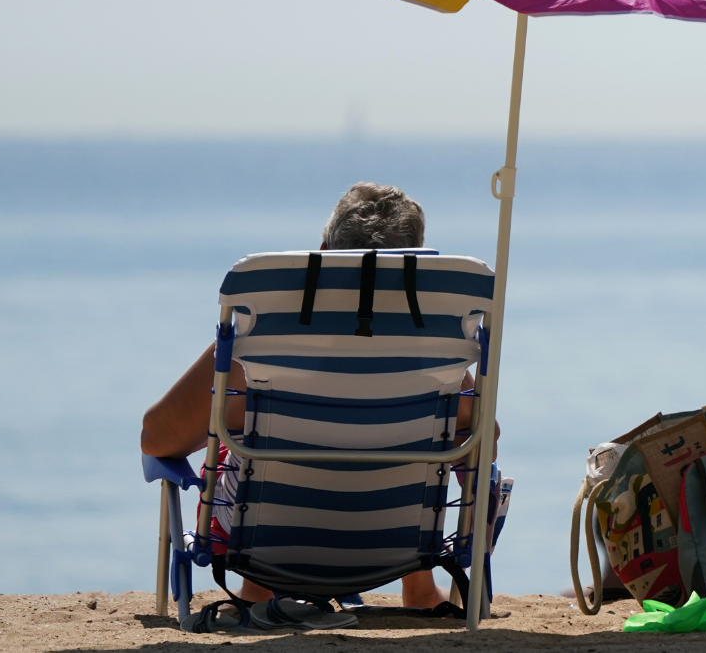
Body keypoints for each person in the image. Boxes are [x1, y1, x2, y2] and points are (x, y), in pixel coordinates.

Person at [141, 182, 496, 609]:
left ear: (324, 252)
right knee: (428, 436)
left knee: (245, 426)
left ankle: (260, 587)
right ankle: (419, 591)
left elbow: (157, 439)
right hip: (397, 541)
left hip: (270, 542)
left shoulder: (261, 335)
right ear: (415, 266)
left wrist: (237, 407)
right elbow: (486, 441)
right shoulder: (437, 347)